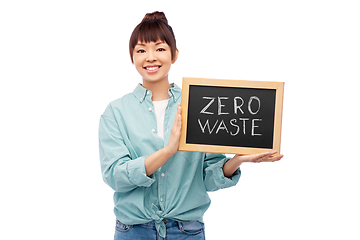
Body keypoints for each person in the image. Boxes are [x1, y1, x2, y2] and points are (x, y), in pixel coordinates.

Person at [99, 11, 283, 240]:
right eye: (141, 50)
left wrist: (238, 159)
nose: (150, 57)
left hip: (186, 232)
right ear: (132, 57)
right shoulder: (116, 112)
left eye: (160, 48)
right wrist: (168, 151)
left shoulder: (198, 103)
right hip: (133, 231)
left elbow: (208, 178)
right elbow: (115, 176)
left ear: (174, 54)